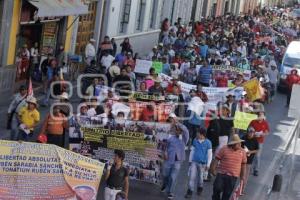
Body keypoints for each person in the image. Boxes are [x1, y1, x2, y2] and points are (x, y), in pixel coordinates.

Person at [211, 134, 247, 200]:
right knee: (217, 188)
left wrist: (243, 176)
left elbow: (243, 165)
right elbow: (217, 159)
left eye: (240, 143)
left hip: (233, 176)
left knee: (227, 193)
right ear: (233, 144)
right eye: (237, 143)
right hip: (221, 173)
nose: (239, 145)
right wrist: (213, 169)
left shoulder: (242, 152)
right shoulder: (224, 149)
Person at [161, 113, 189, 199]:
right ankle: (165, 184)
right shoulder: (170, 138)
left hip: (178, 161)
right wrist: (165, 152)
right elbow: (164, 145)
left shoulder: (184, 139)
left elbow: (186, 130)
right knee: (165, 175)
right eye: (177, 130)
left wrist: (178, 123)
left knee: (173, 177)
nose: (178, 131)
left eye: (180, 130)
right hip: (168, 159)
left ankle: (170, 192)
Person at [185, 128, 212, 198]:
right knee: (192, 177)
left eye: (198, 133)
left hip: (203, 164)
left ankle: (200, 187)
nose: (196, 134)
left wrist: (208, 164)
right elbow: (192, 151)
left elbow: (210, 154)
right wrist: (190, 161)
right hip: (194, 162)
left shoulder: (208, 142)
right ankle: (190, 191)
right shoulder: (195, 140)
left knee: (200, 179)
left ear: (202, 134)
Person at [249, 111, 270, 176]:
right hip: (252, 141)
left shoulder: (265, 123)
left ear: (263, 116)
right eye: (259, 115)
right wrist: (253, 132)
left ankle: (256, 169)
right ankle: (249, 168)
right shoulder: (253, 121)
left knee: (257, 156)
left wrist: (262, 134)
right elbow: (249, 129)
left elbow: (267, 132)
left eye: (261, 115)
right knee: (250, 154)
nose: (260, 116)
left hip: (259, 142)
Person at [241, 127, 259, 193]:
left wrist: (250, 152)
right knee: (240, 174)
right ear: (247, 132)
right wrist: (243, 150)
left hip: (249, 160)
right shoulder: (243, 138)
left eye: (252, 133)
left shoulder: (255, 140)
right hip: (242, 159)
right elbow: (239, 146)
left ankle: (242, 189)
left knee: (245, 175)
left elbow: (257, 149)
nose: (251, 134)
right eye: (250, 132)